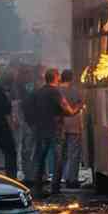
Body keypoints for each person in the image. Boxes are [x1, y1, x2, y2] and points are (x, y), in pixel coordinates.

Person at [29, 68, 74, 197]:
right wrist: (77, 108)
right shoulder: (56, 92)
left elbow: (29, 108)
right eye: (58, 75)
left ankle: (38, 186)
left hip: (41, 129)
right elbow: (67, 109)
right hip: (55, 129)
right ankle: (55, 187)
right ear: (55, 77)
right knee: (58, 158)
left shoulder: (38, 92)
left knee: (41, 158)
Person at [60, 69, 85, 188]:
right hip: (74, 125)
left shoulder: (57, 90)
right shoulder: (75, 91)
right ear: (72, 78)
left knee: (61, 153)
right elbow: (81, 104)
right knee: (74, 153)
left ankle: (60, 178)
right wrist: (77, 108)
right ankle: (72, 179)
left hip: (60, 126)